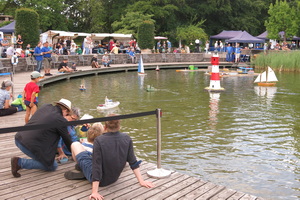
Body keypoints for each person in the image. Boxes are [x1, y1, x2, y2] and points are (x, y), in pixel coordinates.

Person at [65, 115, 154, 199]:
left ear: (105, 127)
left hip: (99, 179)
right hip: (113, 178)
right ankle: (83, 168)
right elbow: (133, 162)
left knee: (75, 144)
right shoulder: (127, 138)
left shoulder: (99, 140)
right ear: (119, 127)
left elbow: (97, 166)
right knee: (91, 158)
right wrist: (141, 181)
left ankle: (83, 169)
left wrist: (94, 192)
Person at [11, 98, 74, 178]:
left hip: (19, 138)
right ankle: (19, 162)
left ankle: (25, 161)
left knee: (46, 158)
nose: (66, 116)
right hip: (28, 145)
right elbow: (67, 139)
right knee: (52, 165)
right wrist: (75, 153)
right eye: (67, 114)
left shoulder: (46, 106)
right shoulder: (60, 120)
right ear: (65, 110)